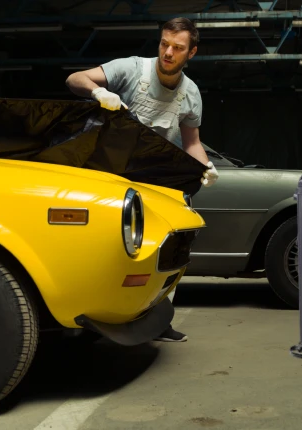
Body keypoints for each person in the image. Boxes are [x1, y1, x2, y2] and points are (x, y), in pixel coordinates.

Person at [66, 17, 219, 342]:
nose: (168, 52)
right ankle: (95, 318)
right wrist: (98, 92)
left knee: (169, 249)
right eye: (164, 44)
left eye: (177, 48)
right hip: (115, 173)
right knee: (108, 247)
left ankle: (159, 320)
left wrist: (206, 166)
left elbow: (191, 142)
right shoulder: (132, 69)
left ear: (191, 52)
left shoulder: (191, 94)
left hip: (158, 179)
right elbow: (75, 78)